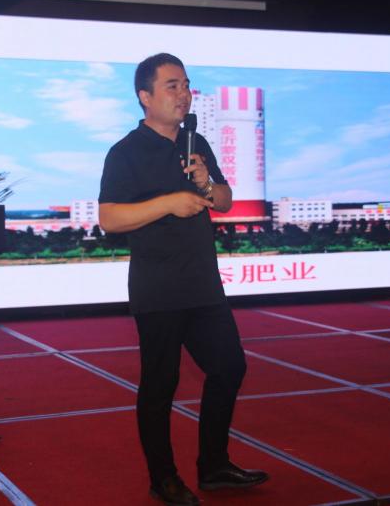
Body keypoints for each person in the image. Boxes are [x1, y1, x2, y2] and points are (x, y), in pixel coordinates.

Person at [98, 53, 269, 505]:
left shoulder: (197, 142)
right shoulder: (125, 152)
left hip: (203, 283)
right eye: (172, 86)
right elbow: (110, 218)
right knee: (161, 384)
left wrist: (206, 183)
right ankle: (164, 477)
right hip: (158, 288)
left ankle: (213, 465)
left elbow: (225, 200)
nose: (184, 94)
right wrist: (169, 203)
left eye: (187, 85)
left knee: (229, 367)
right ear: (145, 96)